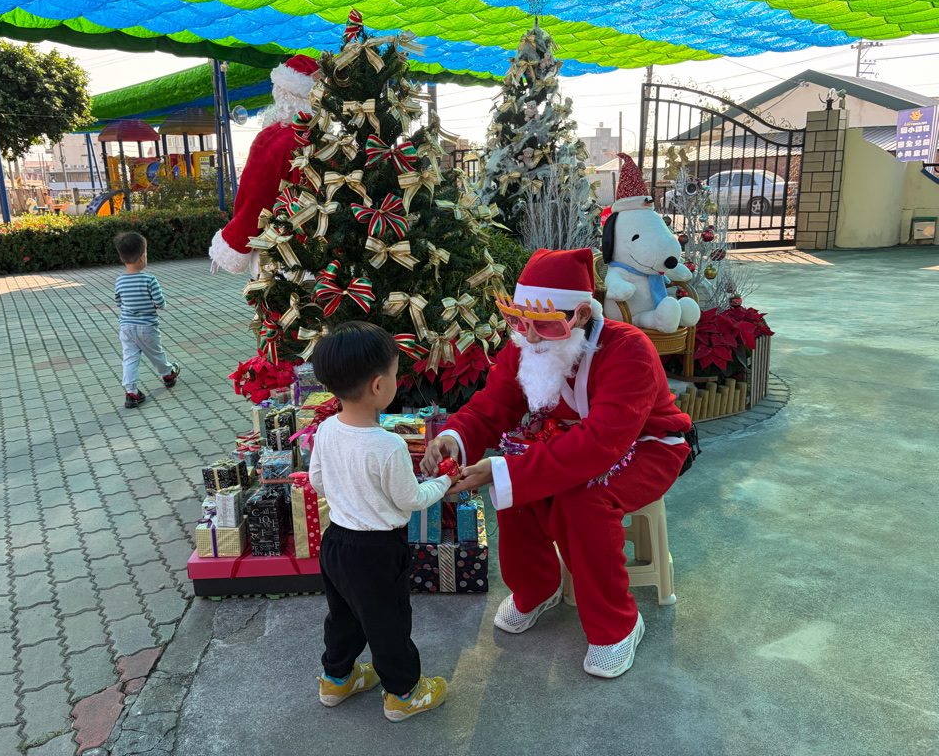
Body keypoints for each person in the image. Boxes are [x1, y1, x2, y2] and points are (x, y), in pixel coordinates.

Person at [421, 247, 692, 678]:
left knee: (582, 499)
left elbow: (601, 442)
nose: (528, 337)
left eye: (545, 325)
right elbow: (492, 406)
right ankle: (536, 589)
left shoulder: (629, 349)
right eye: (517, 321)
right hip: (570, 436)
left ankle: (618, 625)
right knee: (516, 482)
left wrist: (504, 471)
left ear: (581, 314)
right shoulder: (526, 344)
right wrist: (454, 438)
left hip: (648, 444)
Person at [309, 322, 451, 722]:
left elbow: (318, 480)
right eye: (394, 374)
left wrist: (349, 492)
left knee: (344, 616)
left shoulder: (326, 429)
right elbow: (411, 499)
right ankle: (404, 693)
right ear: (377, 385)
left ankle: (336, 679)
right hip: (377, 551)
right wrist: (444, 482)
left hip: (336, 542)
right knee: (389, 624)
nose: (396, 380)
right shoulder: (388, 445)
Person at [208, 54, 320, 276]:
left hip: (280, 252)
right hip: (326, 253)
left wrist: (234, 243)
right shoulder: (327, 139)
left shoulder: (271, 139)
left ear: (281, 93)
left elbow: (254, 200)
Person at [114, 232, 180, 408]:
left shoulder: (119, 281)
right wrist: (157, 305)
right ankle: (168, 374)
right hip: (147, 327)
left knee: (129, 358)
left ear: (122, 258)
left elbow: (118, 302)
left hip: (126, 327)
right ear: (142, 257)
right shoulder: (149, 279)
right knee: (155, 354)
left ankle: (131, 392)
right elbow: (160, 302)